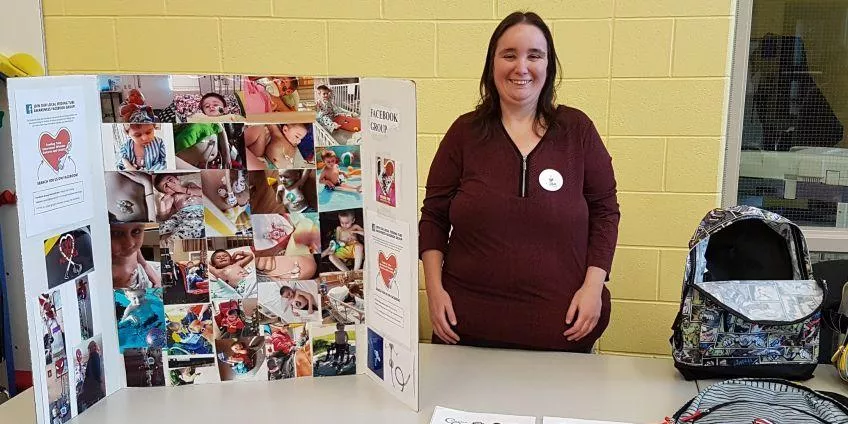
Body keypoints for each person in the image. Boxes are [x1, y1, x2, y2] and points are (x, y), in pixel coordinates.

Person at [419, 12, 620, 353]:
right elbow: (434, 217)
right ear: (492, 64)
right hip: (466, 332)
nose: (521, 67)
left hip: (563, 334)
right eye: (509, 54)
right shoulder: (464, 133)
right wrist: (434, 292)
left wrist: (593, 287)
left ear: (548, 65)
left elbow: (605, 212)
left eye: (534, 55)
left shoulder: (577, 130)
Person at [111, 223, 161, 289]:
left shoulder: (133, 249)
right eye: (116, 233)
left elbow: (145, 265)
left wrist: (157, 281)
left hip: (142, 274)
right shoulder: (103, 263)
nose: (130, 244)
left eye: (136, 231)